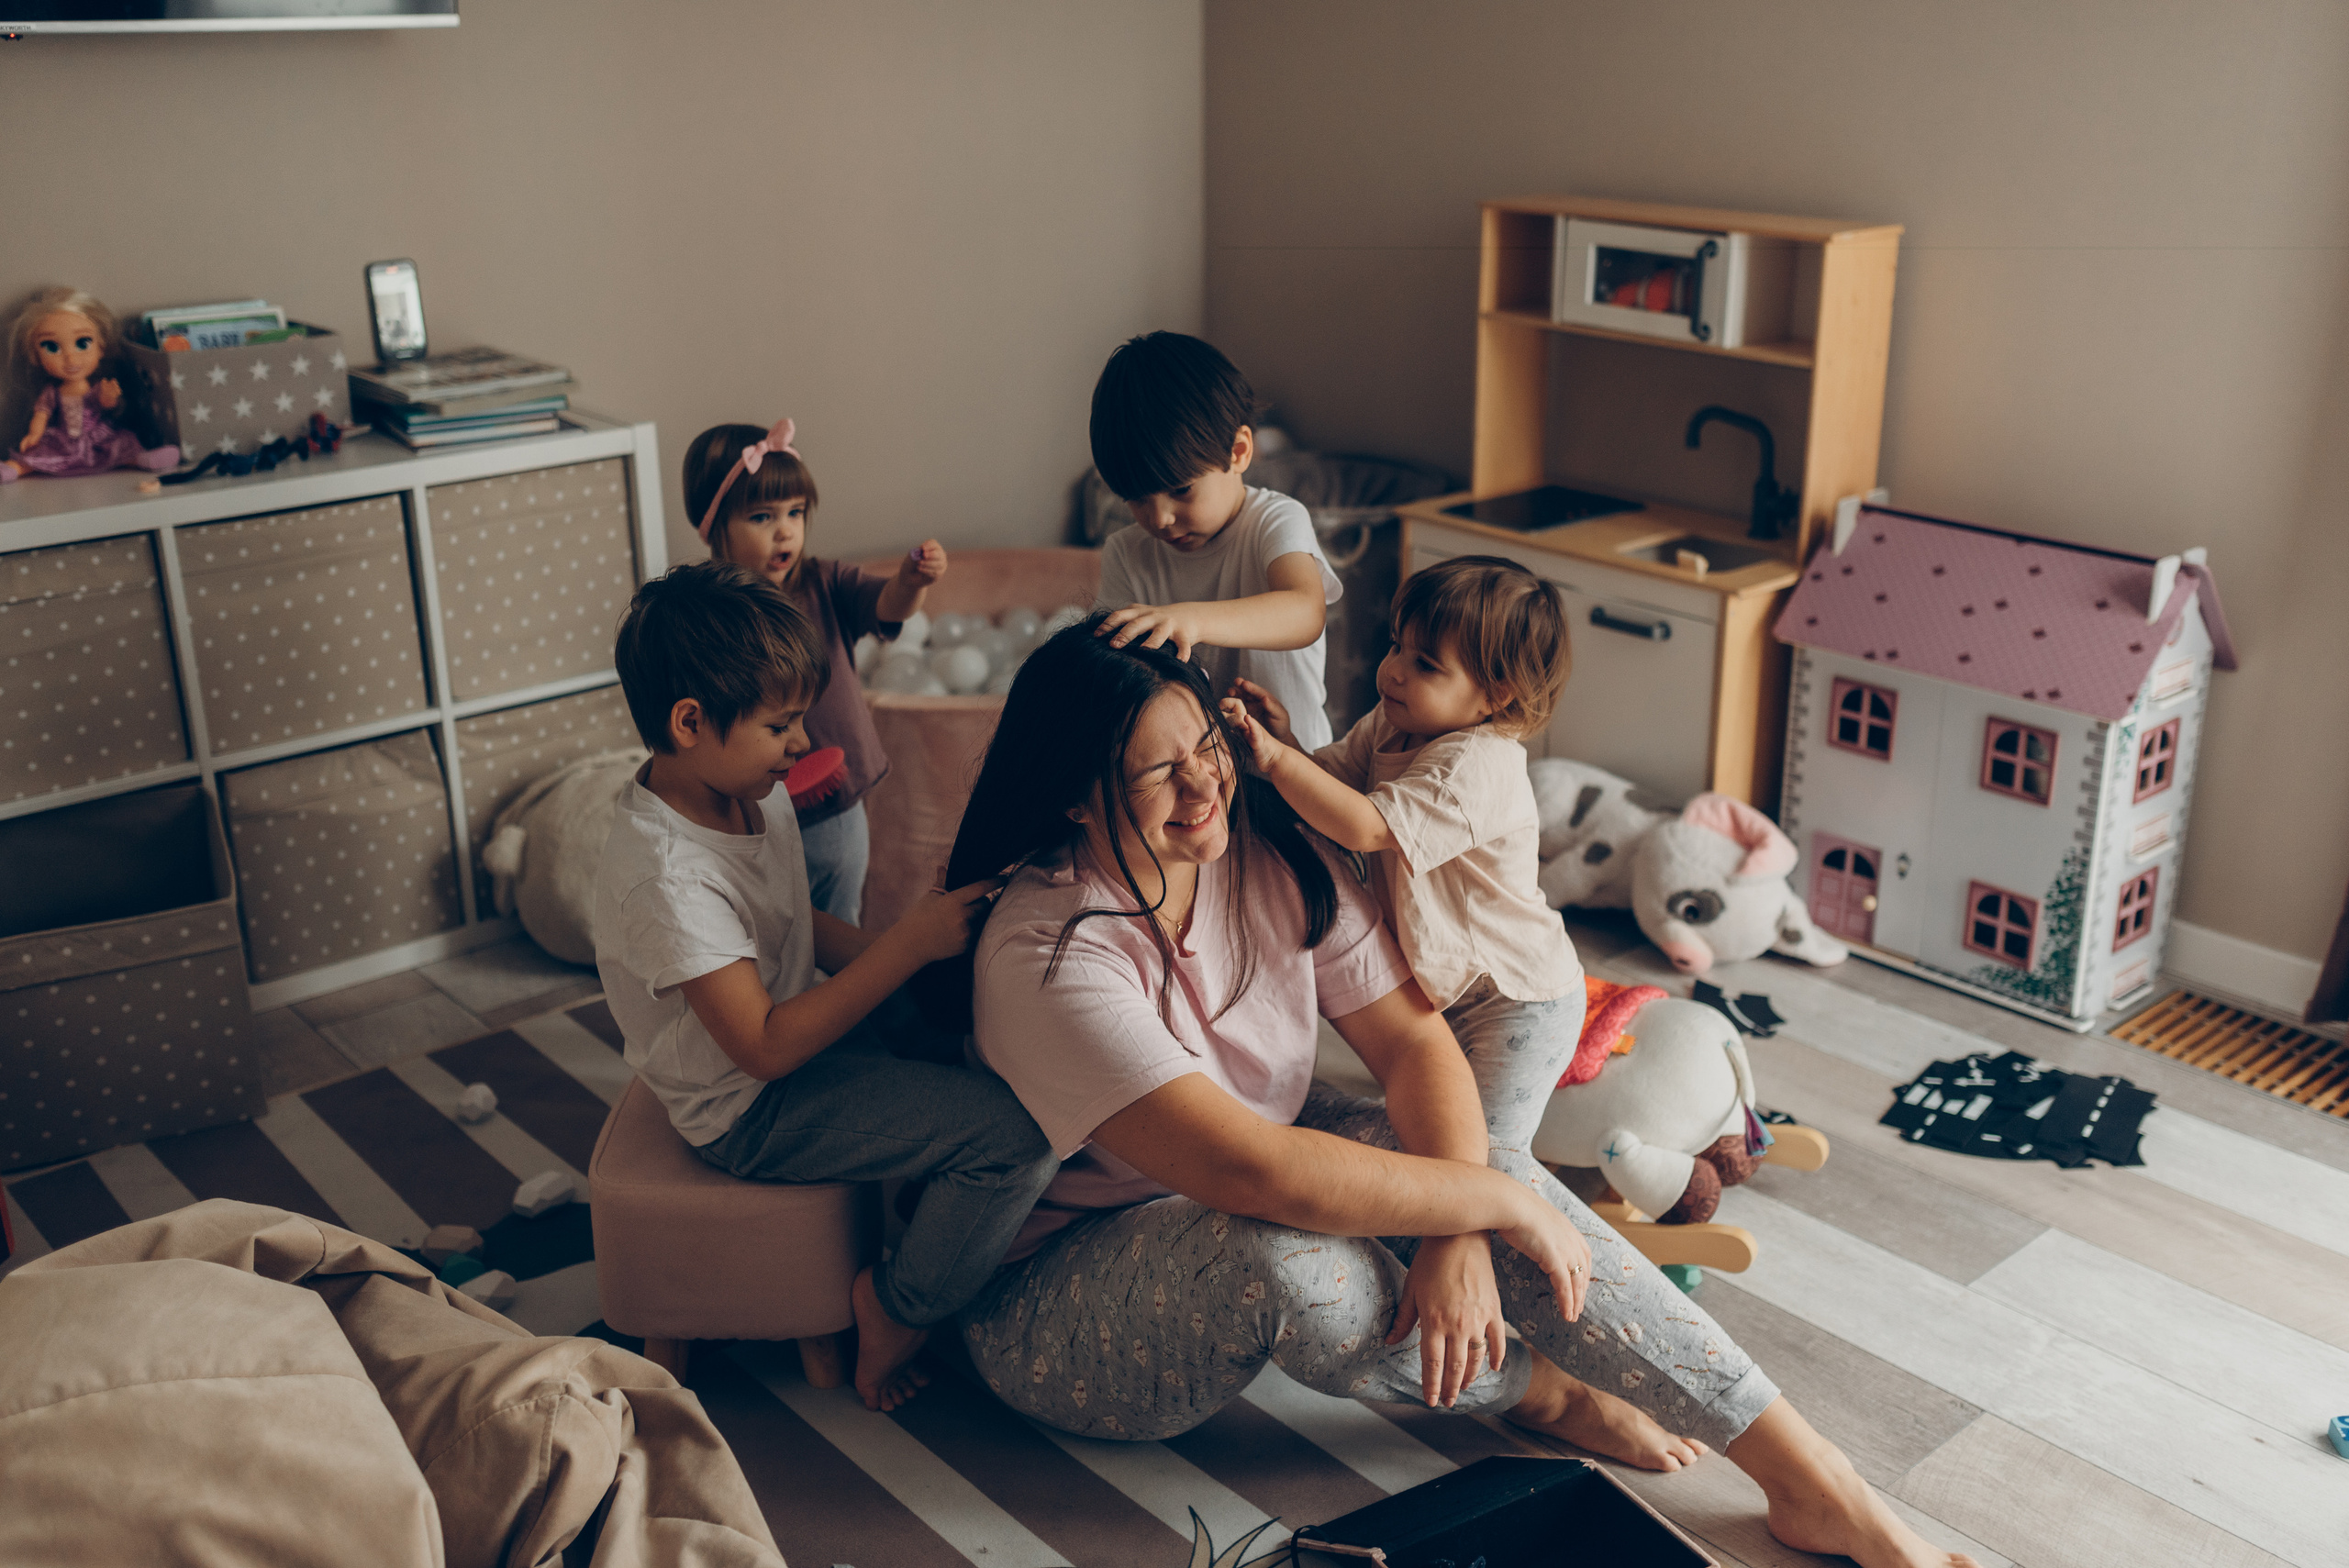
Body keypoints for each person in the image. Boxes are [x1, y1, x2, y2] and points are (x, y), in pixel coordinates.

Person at [933, 620, 1979, 1568]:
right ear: (1074, 793)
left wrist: (1461, 1227)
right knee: (1309, 1260)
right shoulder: (1048, 950)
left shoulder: (1265, 851)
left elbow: (1410, 1041)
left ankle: (1811, 1477)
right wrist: (1494, 1203)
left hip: (1242, 1169)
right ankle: (1543, 1389)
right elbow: (1251, 1170)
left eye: (1206, 746)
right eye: (1157, 773)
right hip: (1053, 1299)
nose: (1204, 785)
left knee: (1477, 1158)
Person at [592, 562, 1055, 1411]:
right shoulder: (666, 878)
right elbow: (765, 1050)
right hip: (749, 1108)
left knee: (978, 1029)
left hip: (794, 1033)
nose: (803, 744)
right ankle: (896, 1307)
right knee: (1017, 1141)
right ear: (689, 722)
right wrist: (905, 948)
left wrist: (907, 956)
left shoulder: (743, 786)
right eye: (780, 726)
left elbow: (786, 918)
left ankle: (938, 1200)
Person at [1226, 552, 1582, 1157]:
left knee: (1482, 1159)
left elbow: (1364, 827)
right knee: (1432, 1128)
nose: (1392, 671)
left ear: (1495, 695)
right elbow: (1333, 789)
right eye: (1396, 646)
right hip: (1448, 986)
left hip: (1514, 1003)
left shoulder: (1475, 766)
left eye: (1425, 664)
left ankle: (1514, 1211)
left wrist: (1277, 761)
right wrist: (1286, 742)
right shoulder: (1393, 724)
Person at [690, 417, 944, 923]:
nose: (785, 530)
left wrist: (910, 582)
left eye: (796, 512)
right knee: (763, 925)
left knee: (839, 915)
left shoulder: (825, 583)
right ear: (715, 527)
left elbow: (887, 605)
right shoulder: (708, 613)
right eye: (761, 517)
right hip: (754, 807)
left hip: (834, 798)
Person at [1086, 331, 1341, 751]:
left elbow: (1305, 612)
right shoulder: (1126, 552)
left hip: (1293, 768)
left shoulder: (1275, 520)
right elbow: (1115, 670)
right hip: (1194, 770)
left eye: (1181, 489)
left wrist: (1191, 620)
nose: (1160, 519)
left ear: (1238, 451)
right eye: (1137, 499)